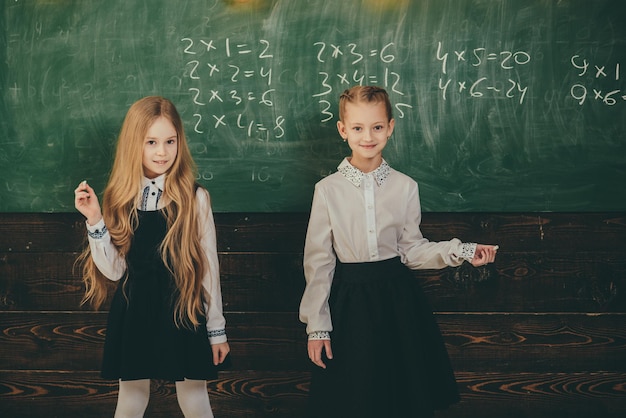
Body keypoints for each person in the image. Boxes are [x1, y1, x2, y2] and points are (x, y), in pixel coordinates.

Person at [299, 85, 498, 418]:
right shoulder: (327, 191)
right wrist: (317, 326)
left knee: (400, 397)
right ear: (343, 130)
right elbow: (319, 262)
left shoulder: (405, 186)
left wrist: (461, 250)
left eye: (377, 127)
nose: (368, 136)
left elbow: (412, 250)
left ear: (390, 127)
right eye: (358, 128)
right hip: (350, 306)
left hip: (398, 304)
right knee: (356, 395)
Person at [74, 96, 230, 418]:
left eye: (170, 141)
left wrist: (216, 331)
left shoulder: (195, 198)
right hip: (134, 311)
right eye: (152, 142)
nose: (162, 152)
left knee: (195, 398)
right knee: (130, 398)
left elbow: (208, 269)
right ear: (135, 144)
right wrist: (95, 220)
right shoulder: (120, 197)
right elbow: (116, 271)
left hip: (183, 309)